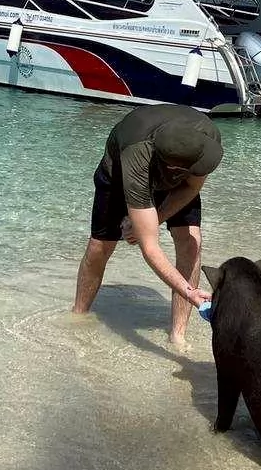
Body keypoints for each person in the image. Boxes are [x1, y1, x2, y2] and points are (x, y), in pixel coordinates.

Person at [72, 104, 223, 347]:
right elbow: (150, 247)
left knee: (191, 241)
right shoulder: (137, 157)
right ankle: (78, 314)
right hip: (119, 177)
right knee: (100, 246)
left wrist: (154, 219)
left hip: (176, 179)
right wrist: (189, 291)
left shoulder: (206, 141)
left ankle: (178, 335)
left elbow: (192, 187)